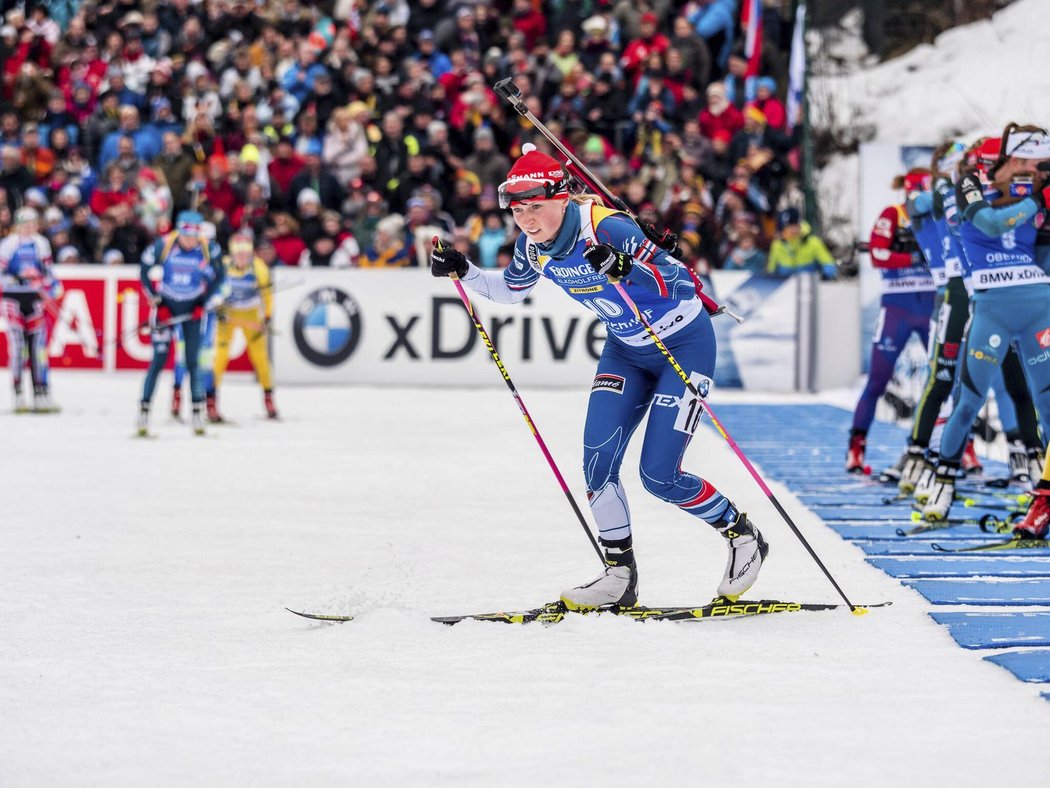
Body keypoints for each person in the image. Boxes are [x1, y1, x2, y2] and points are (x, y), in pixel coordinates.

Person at [429, 144, 768, 609]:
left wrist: (630, 270)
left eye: (536, 208)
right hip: (625, 352)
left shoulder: (606, 227)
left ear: (561, 197)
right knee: (596, 464)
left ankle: (742, 534)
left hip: (682, 345)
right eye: (518, 210)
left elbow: (684, 281)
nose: (527, 221)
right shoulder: (532, 246)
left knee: (659, 476)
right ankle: (619, 576)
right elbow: (509, 291)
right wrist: (464, 271)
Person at [923, 125, 1050, 521]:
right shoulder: (967, 185)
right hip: (991, 306)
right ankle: (942, 482)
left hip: (1038, 305)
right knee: (968, 402)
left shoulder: (1033, 189)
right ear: (1009, 161)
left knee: (1046, 404)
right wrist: (1038, 203)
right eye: (1034, 164)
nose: (1039, 172)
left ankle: (1041, 492)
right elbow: (991, 226)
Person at [846, 173, 935, 473]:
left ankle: (964, 450)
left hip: (931, 307)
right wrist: (914, 257)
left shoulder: (940, 215)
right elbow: (879, 254)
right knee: (878, 380)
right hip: (897, 306)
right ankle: (856, 448)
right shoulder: (892, 214)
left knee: (947, 380)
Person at [137, 210, 224, 436]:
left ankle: (197, 412)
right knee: (158, 360)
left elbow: (221, 276)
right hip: (166, 309)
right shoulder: (164, 245)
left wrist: (204, 302)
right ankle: (144, 412)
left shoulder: (208, 248)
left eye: (194, 236)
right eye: (186, 236)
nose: (190, 241)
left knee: (193, 361)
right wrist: (157, 301)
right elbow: (144, 272)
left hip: (192, 309)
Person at [207, 232, 278, 422]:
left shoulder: (259, 268)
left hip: (250, 315)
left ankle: (269, 400)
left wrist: (268, 317)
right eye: (239, 255)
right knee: (220, 357)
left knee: (260, 358)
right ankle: (211, 402)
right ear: (232, 254)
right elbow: (211, 290)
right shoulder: (223, 265)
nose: (242, 259)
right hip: (228, 316)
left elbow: (268, 296)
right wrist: (217, 306)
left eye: (246, 255)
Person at [0, 207, 60, 412]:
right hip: (12, 298)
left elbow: (49, 273)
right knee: (17, 347)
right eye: (25, 224)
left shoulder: (41, 243)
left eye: (32, 224)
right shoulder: (8, 244)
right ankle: (17, 393)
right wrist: (18, 277)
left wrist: (48, 283)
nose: (28, 228)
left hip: (34, 299)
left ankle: (41, 392)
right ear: (18, 225)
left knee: (38, 348)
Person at [766, 207, 837, 279]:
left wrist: (826, 275)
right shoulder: (777, 245)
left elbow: (829, 265)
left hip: (810, 287)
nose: (791, 230)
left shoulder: (813, 243)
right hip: (785, 288)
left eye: (794, 225)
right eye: (787, 228)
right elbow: (771, 272)